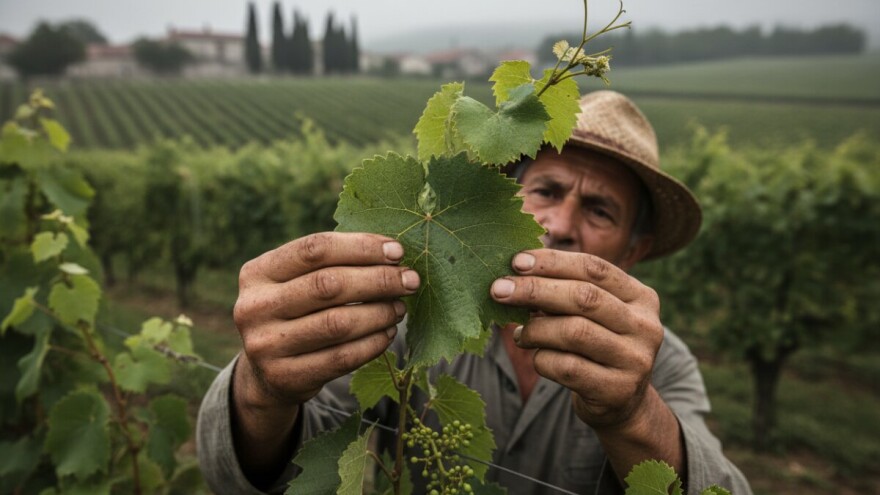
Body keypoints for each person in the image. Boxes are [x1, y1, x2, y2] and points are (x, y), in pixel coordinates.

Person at [197, 90, 752, 494]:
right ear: (503, 205)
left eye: (600, 210)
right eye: (547, 191)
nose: (560, 224)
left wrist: (633, 416)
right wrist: (259, 392)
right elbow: (240, 475)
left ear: (634, 251)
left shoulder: (660, 365)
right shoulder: (411, 318)